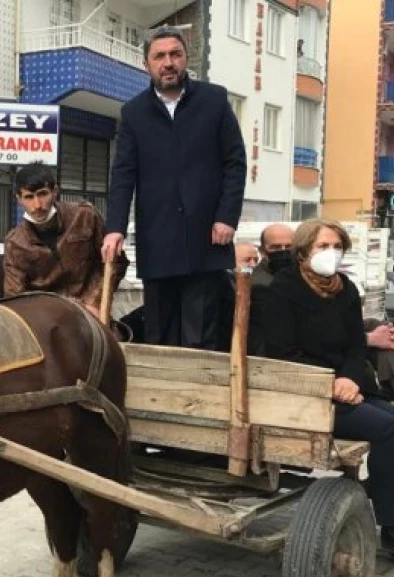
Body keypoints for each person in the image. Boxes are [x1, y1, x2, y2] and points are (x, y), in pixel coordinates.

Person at [261, 219, 394, 565]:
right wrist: (332, 383)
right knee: (388, 429)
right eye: (323, 247)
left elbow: (354, 346)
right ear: (304, 252)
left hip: (347, 387)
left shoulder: (345, 289)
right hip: (307, 395)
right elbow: (282, 355)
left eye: (337, 247)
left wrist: (349, 378)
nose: (331, 254)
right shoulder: (282, 291)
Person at [102, 26, 247, 349]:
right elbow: (123, 174)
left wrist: (227, 217)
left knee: (202, 338)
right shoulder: (133, 113)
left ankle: (200, 399)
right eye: (160, 56)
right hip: (159, 241)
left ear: (185, 59)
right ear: (147, 64)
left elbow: (235, 163)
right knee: (160, 337)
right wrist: (115, 229)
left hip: (208, 239)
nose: (168, 63)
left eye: (175, 54)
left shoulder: (214, 100)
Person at [253, 223, 394, 422]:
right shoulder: (270, 285)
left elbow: (343, 331)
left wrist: (374, 339)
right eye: (275, 248)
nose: (283, 252)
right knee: (392, 424)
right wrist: (364, 347)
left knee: (377, 327)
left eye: (336, 246)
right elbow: (299, 340)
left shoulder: (340, 285)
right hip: (305, 375)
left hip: (340, 370)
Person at [3, 163, 129, 319]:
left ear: (55, 191)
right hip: (48, 321)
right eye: (29, 197)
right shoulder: (15, 244)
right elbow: (15, 299)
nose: (37, 205)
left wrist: (95, 302)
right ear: (19, 200)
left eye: (43, 194)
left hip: (91, 314)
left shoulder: (85, 216)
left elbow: (116, 262)